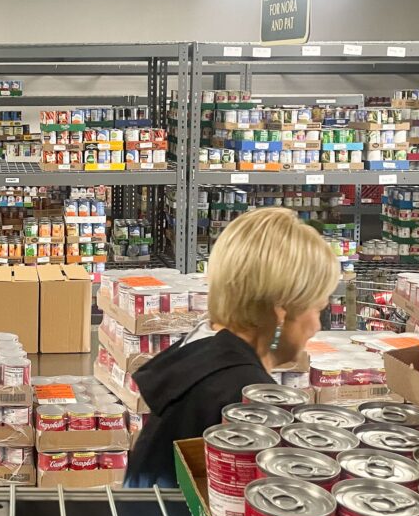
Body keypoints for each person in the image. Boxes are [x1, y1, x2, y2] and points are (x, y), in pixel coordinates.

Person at [125, 207, 339, 487]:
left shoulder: (203, 347)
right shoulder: (245, 397)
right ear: (282, 311)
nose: (317, 326)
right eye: (318, 308)